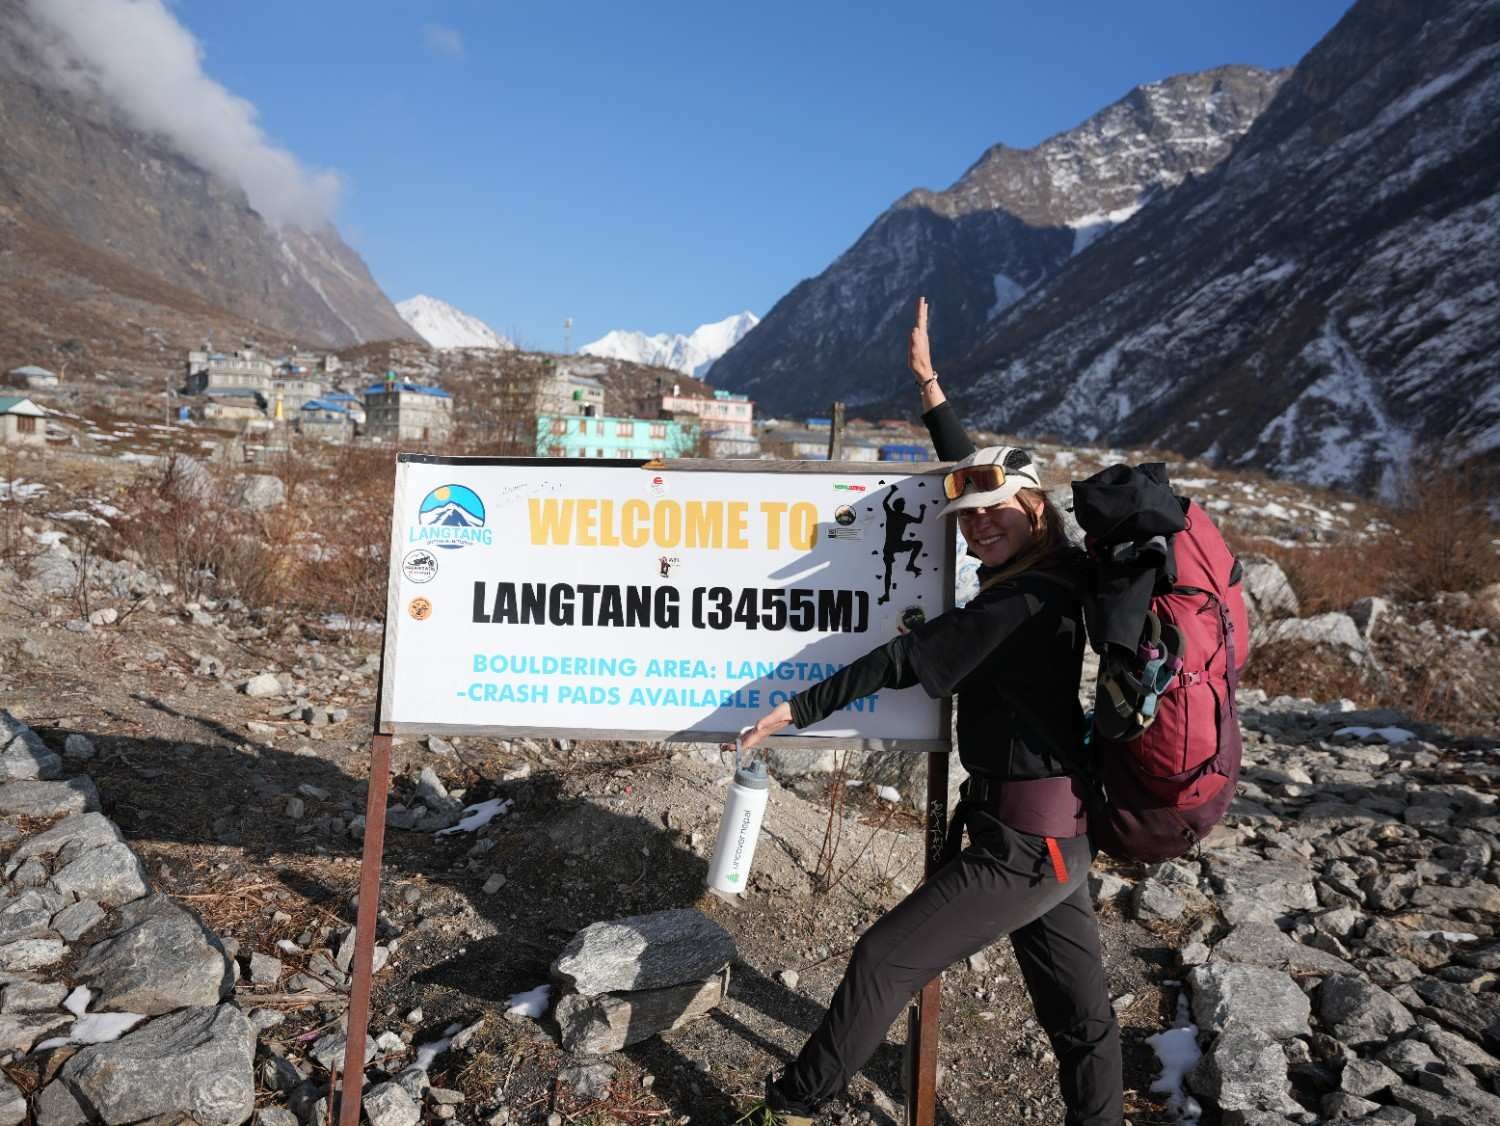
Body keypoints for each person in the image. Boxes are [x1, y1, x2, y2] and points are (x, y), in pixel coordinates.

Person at [735, 298, 1123, 1126]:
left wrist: (791, 710)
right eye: (967, 519)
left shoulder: (1013, 606)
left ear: (1036, 512)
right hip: (1059, 835)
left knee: (882, 959)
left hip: (1022, 848)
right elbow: (986, 479)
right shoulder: (1051, 576)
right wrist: (930, 389)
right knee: (1081, 1020)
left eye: (994, 516)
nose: (978, 527)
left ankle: (792, 1108)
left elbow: (901, 658)